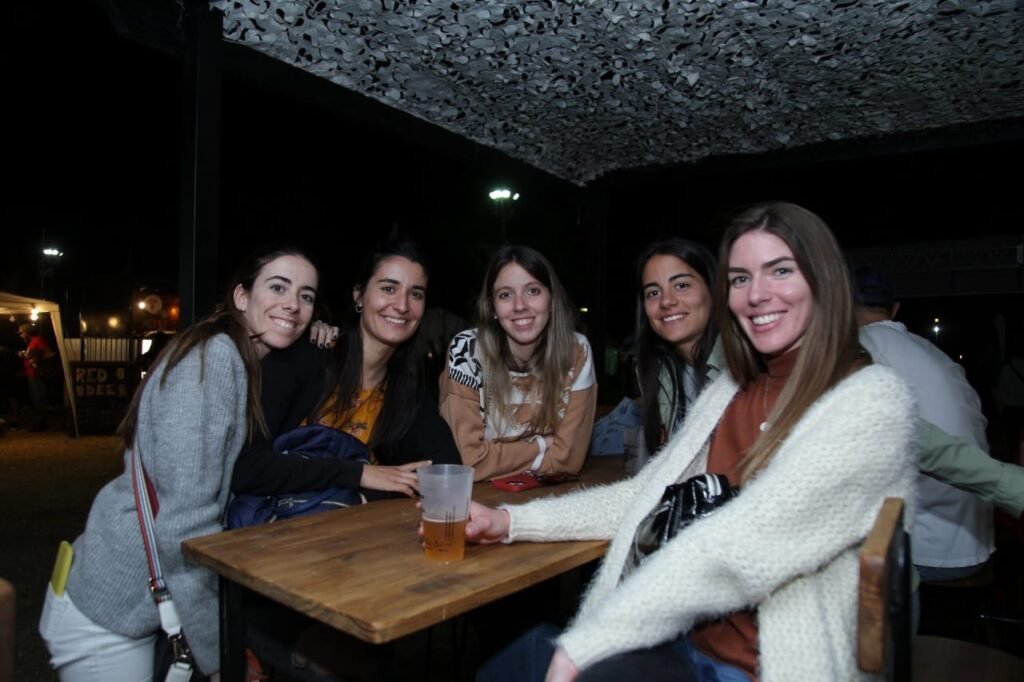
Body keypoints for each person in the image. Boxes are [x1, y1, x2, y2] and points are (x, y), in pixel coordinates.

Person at [460, 202, 918, 682]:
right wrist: (509, 521)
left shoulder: (871, 400)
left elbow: (742, 545)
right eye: (740, 278)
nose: (757, 293)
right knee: (511, 660)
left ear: (824, 280)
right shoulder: (732, 390)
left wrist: (597, 640)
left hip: (756, 667)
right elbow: (647, 497)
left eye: (780, 271)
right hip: (685, 642)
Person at [38, 244, 321, 681]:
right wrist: (219, 655)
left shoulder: (228, 356)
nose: (293, 305)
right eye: (278, 287)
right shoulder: (215, 360)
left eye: (306, 295)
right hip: (110, 612)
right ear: (241, 296)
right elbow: (184, 527)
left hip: (119, 594)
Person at [232, 237, 462, 505]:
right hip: (278, 523)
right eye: (388, 288)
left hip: (350, 526)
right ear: (359, 295)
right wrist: (358, 474)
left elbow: (448, 471)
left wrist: (374, 487)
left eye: (416, 294)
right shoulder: (306, 358)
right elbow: (247, 468)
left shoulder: (406, 388)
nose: (402, 305)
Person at [854, 264, 997, 582]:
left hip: (925, 548)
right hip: (975, 538)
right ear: (894, 310)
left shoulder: (859, 352)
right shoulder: (933, 353)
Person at [439, 245, 598, 481]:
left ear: (551, 299)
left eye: (533, 291)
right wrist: (544, 445)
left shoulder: (576, 351)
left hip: (548, 495)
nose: (520, 305)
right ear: (492, 306)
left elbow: (569, 460)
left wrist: (493, 457)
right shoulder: (467, 351)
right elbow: (467, 461)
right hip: (479, 498)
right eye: (505, 295)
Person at [18, 323, 53, 411]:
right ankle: (39, 410)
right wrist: (24, 354)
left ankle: (43, 411)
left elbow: (49, 354)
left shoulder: (38, 340)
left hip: (36, 371)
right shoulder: (32, 341)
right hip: (30, 371)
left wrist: (35, 360)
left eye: (21, 333)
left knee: (38, 392)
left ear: (27, 332)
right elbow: (33, 355)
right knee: (34, 392)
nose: (20, 335)